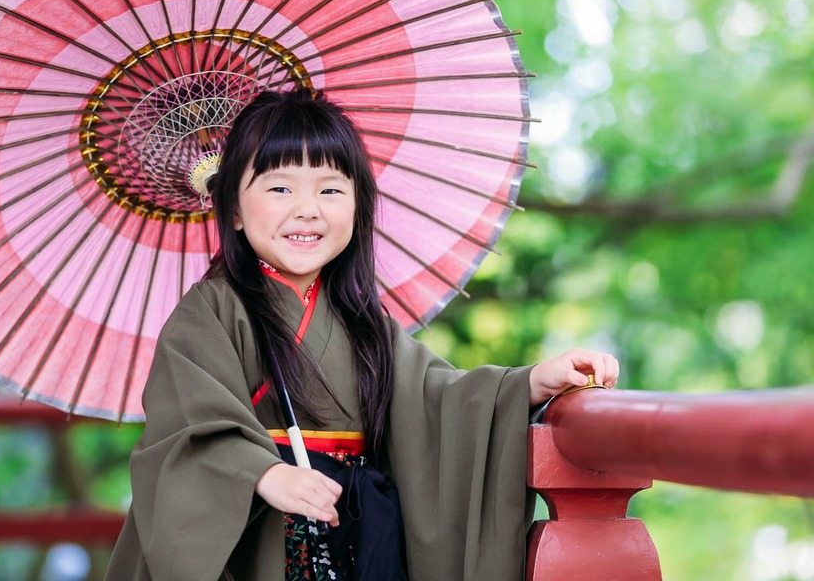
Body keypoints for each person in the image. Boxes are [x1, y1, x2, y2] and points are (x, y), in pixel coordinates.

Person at [104, 88, 619, 581]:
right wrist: (261, 474)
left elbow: (437, 401)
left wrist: (527, 385)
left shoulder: (363, 321)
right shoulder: (211, 311)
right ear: (234, 210)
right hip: (257, 537)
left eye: (330, 189)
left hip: (353, 531)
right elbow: (188, 430)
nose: (307, 209)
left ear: (358, 206)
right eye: (279, 188)